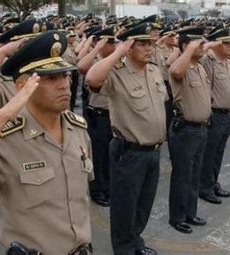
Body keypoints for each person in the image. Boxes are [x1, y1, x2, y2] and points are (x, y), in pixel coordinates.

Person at [0, 31, 94, 254]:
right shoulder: (5, 138)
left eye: (65, 75)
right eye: (50, 78)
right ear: (22, 86)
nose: (64, 85)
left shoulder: (78, 128)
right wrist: (1, 116)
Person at [86, 22, 167, 255]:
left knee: (143, 204)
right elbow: (91, 78)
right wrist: (119, 51)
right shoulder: (116, 72)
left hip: (153, 150)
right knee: (125, 206)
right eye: (142, 43)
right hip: (129, 151)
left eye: (151, 43)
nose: (149, 48)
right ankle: (123, 249)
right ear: (129, 46)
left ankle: (135, 242)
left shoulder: (153, 70)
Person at [168, 26, 210, 234]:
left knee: (194, 174)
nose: (203, 46)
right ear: (186, 46)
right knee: (182, 175)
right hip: (185, 129)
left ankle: (190, 213)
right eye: (198, 43)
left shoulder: (199, 67)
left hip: (201, 129)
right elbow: (175, 71)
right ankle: (177, 216)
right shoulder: (180, 66)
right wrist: (187, 50)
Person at [198, 28, 230, 205]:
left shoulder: (229, 61)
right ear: (216, 44)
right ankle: (204, 187)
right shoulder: (208, 61)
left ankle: (213, 182)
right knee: (209, 152)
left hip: (227, 113)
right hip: (214, 114)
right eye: (226, 42)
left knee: (219, 152)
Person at [78, 26, 117, 207]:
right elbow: (80, 66)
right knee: (98, 155)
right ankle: (97, 190)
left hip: (114, 115)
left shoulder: (116, 60)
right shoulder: (94, 60)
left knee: (111, 155)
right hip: (98, 115)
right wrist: (96, 47)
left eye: (113, 41)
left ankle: (108, 187)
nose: (113, 45)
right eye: (109, 41)